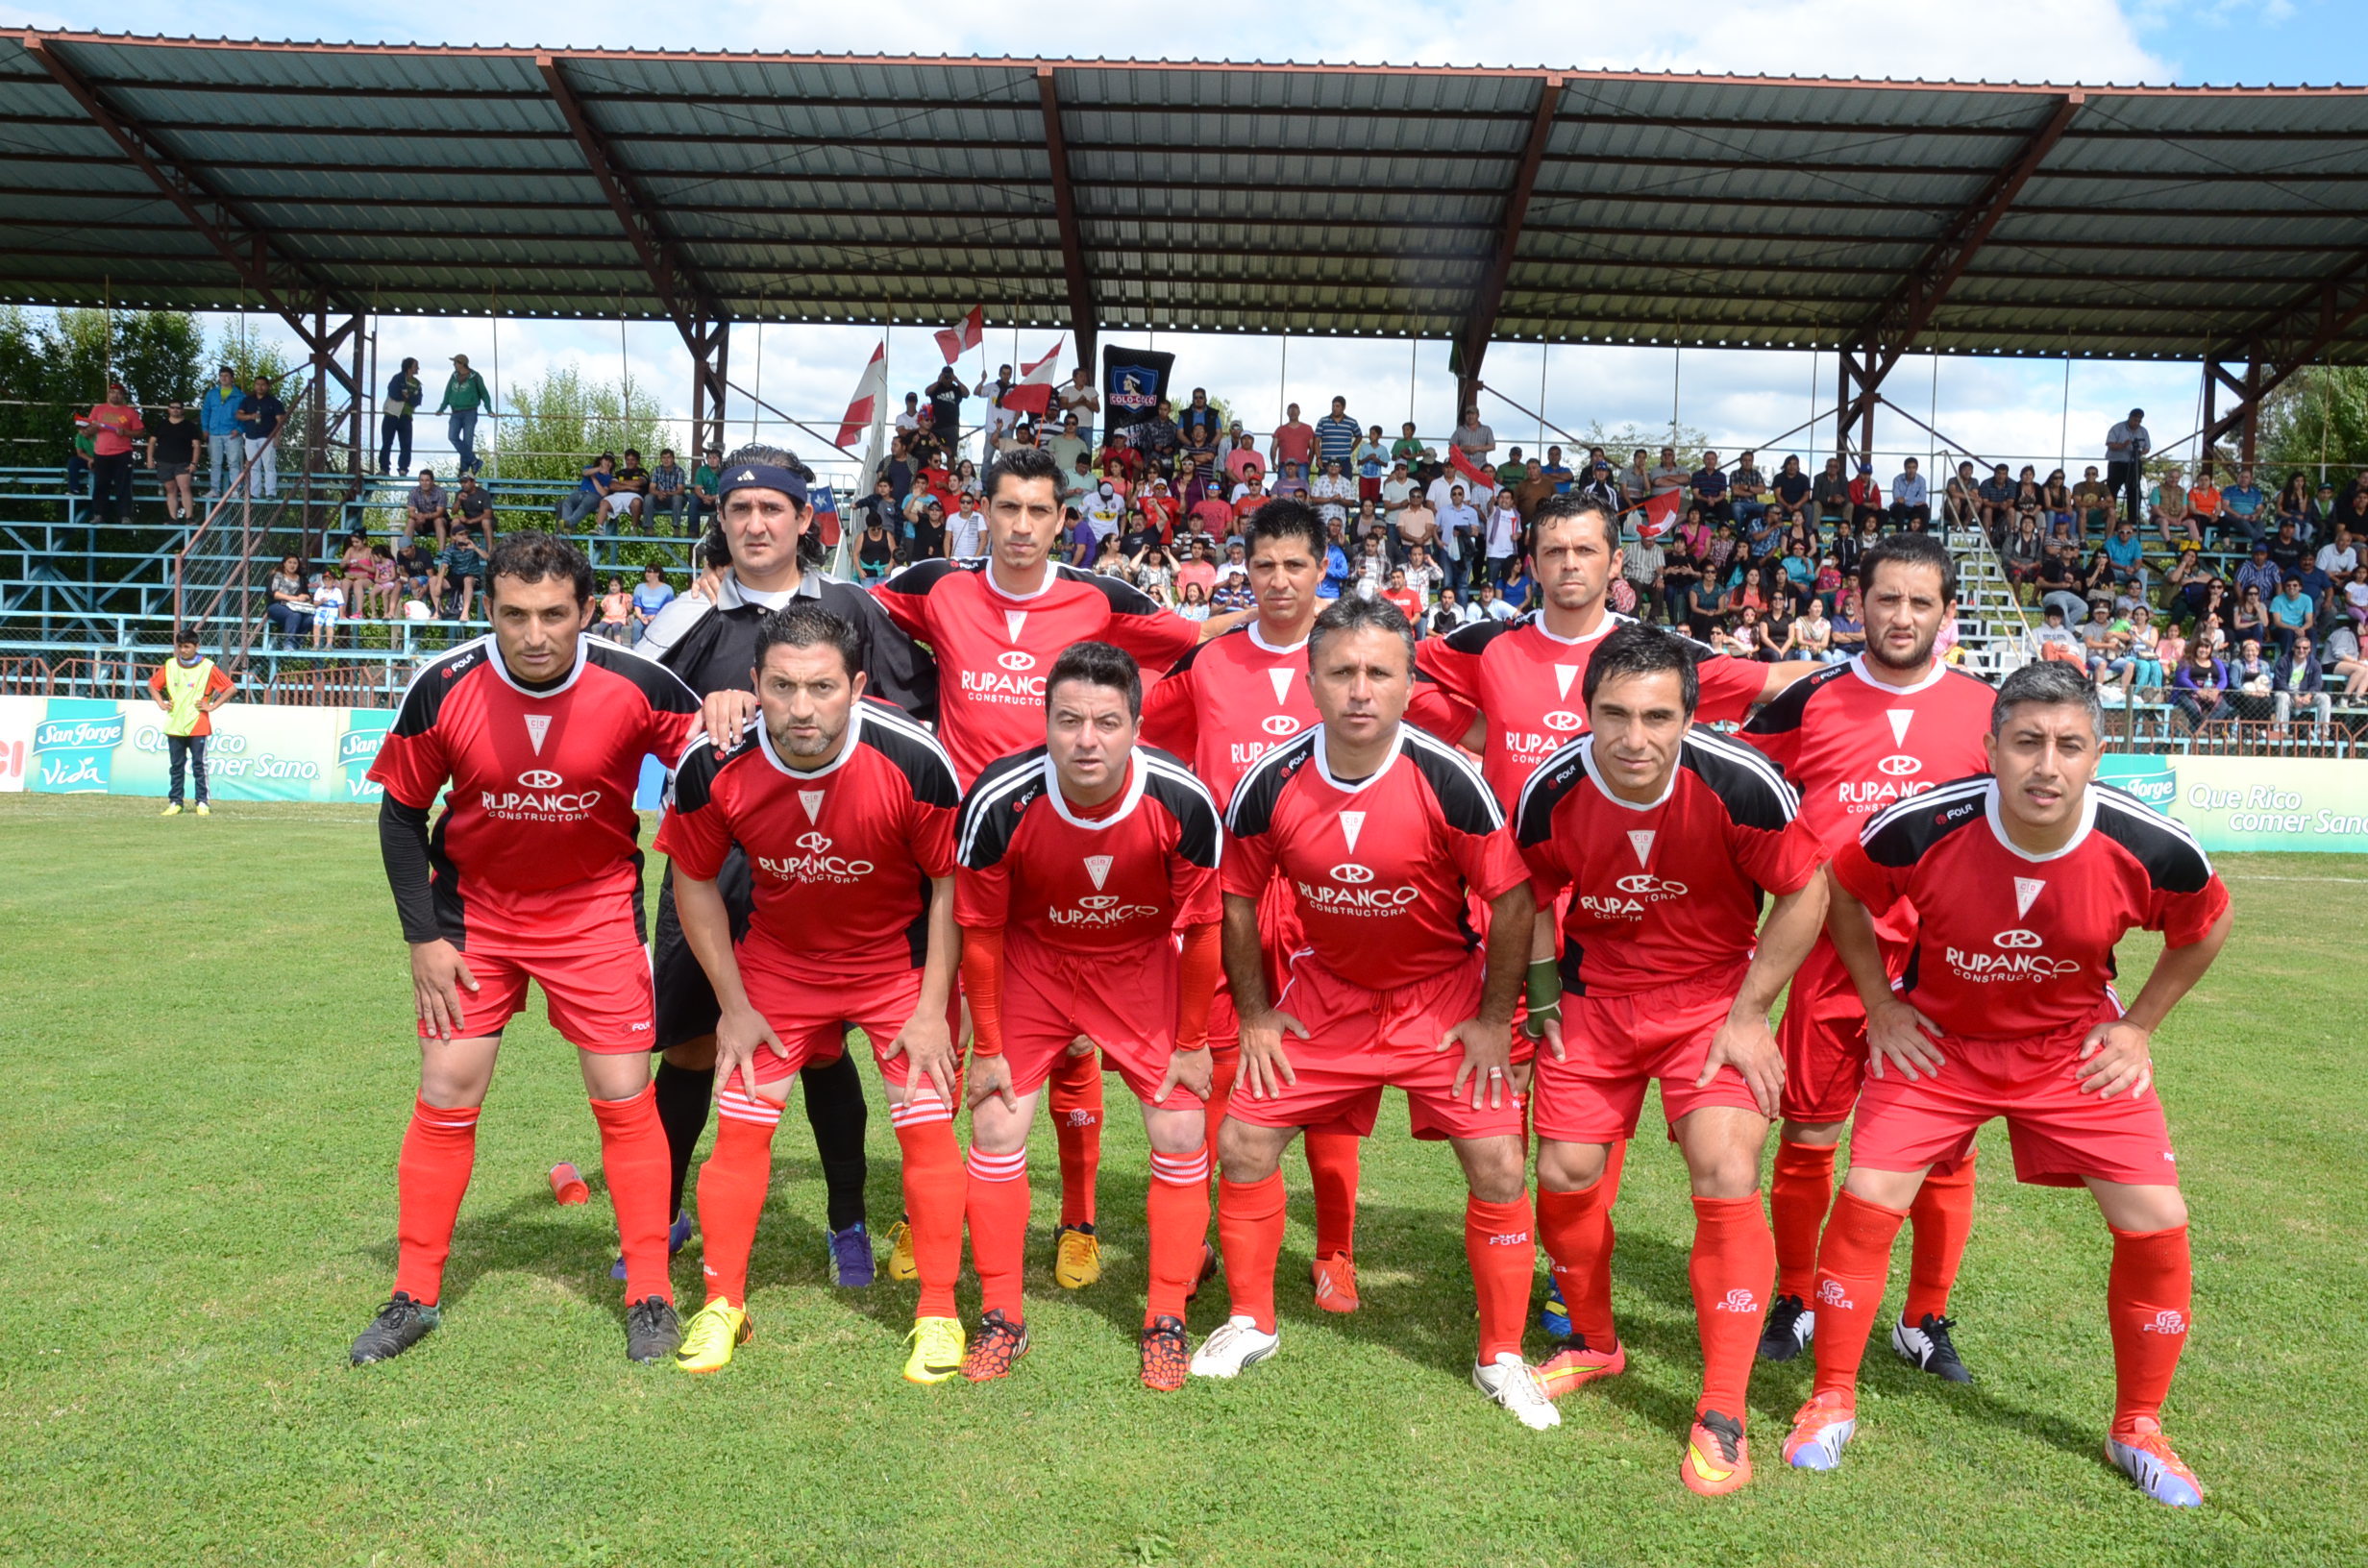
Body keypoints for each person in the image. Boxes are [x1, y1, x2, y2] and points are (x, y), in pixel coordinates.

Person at [1784, 663, 2232, 1508]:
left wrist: (2139, 1026)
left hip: (2071, 1050)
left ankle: (2138, 1426)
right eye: (2027, 742)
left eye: (2069, 745)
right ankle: (1831, 1397)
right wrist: (1881, 1004)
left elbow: (2207, 925)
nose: (2046, 766)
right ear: (1990, 748)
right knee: (1868, 1198)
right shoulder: (1922, 826)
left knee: (2157, 1220)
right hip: (1941, 1047)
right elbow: (1843, 890)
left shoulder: (2150, 846)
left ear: (2098, 753)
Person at [1189, 597, 1557, 1430]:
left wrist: (1494, 1020)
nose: (1360, 690)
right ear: (1310, 680)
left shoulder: (1448, 778)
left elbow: (1512, 900)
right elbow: (1236, 899)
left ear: (1409, 683)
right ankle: (1250, 1321)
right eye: (1342, 672)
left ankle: (1501, 1356)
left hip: (1441, 996)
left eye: (1379, 673)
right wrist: (1256, 1014)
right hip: (1329, 996)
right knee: (1242, 1141)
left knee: (1500, 1165)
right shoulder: (1270, 782)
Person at [350, 531, 703, 1367]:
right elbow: (400, 815)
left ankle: (649, 1291)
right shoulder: (443, 687)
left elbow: (720, 763)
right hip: (475, 919)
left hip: (594, 915)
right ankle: (414, 1295)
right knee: (446, 1088)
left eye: (553, 615)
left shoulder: (642, 684)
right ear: (489, 610)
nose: (534, 634)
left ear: (588, 611)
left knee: (624, 1094)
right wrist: (422, 939)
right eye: (514, 615)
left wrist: (724, 714)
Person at [1516, 625, 1829, 1493]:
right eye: (1613, 714)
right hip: (1594, 999)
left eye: (1657, 717)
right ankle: (1595, 1343)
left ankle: (1722, 1411)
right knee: (1564, 1174)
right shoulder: (1550, 788)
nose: (1634, 737)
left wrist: (1751, 1014)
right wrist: (1541, 999)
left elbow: (1807, 890)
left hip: (1710, 1002)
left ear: (1690, 717)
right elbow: (1531, 890)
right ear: (1585, 711)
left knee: (1726, 1170)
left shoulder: (1741, 783)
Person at [643, 446, 937, 1288]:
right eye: (739, 510)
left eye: (773, 508)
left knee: (819, 1048)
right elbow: (632, 711)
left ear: (806, 519)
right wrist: (701, 718)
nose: (755, 524)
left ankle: (848, 1222)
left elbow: (910, 706)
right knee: (692, 1046)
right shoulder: (689, 615)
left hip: (826, 863)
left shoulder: (851, 605)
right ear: (721, 520)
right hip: (712, 860)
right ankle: (660, 1216)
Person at [654, 603, 967, 1383]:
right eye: (782, 686)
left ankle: (939, 1312)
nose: (801, 708)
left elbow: (950, 883)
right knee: (740, 1133)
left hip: (895, 970)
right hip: (779, 969)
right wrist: (733, 1006)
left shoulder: (914, 757)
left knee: (927, 1132)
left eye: (822, 687)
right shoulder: (713, 763)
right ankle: (723, 1304)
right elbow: (694, 879)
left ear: (856, 687)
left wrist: (933, 1009)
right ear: (754, 683)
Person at [1735, 534, 1997, 1370]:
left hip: (1942, 964)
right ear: (1858, 603)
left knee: (1946, 1146)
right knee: (1809, 1130)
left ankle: (1924, 1316)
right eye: (1887, 599)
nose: (1902, 616)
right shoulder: (1807, 700)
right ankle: (1797, 1297)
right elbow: (1746, 802)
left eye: (1921, 602)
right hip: (1827, 954)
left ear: (1948, 614)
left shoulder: (1991, 712)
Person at [953, 643, 1224, 1387]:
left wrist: (1193, 1042)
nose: (1086, 740)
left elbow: (1203, 927)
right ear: (1044, 722)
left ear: (1137, 726)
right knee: (996, 1122)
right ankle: (1003, 1316)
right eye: (1068, 720)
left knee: (1180, 1126)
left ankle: (1165, 1316)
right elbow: (980, 931)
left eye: (1107, 722)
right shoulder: (999, 799)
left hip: (1137, 966)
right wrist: (989, 1046)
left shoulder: (1182, 799)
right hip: (1034, 965)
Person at [148, 628, 234, 817]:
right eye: (180, 646)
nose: (183, 650)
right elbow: (153, 685)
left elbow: (230, 688)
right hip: (175, 724)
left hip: (198, 723)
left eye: (187, 646)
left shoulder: (208, 667)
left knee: (199, 765)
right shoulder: (170, 665)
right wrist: (161, 703)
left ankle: (202, 802)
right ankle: (175, 802)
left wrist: (212, 706)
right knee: (176, 766)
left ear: (197, 647)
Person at [82, 381, 145, 526]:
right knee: (101, 484)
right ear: (108, 394)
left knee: (123, 485)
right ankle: (99, 514)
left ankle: (125, 515)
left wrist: (126, 432)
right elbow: (86, 431)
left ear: (123, 396)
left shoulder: (129, 412)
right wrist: (93, 428)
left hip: (123, 453)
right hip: (101, 452)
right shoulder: (98, 409)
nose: (115, 395)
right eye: (113, 392)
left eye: (119, 393)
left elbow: (140, 432)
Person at [146, 398, 201, 521]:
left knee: (185, 488)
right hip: (164, 462)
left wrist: (194, 463)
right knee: (170, 490)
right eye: (172, 407)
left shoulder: (190, 426)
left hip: (183, 462)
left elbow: (197, 445)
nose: (175, 410)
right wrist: (149, 459)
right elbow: (152, 442)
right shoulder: (162, 425)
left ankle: (189, 518)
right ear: (168, 409)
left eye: (178, 408)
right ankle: (173, 518)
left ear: (182, 410)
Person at [198, 365, 245, 498]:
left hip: (232, 433)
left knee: (234, 462)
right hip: (214, 433)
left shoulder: (240, 396)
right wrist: (205, 428)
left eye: (226, 376)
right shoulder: (212, 394)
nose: (223, 378)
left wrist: (239, 429)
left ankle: (235, 490)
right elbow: (206, 412)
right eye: (221, 376)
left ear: (232, 378)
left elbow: (245, 415)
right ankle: (214, 490)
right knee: (215, 463)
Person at [235, 377, 284, 499]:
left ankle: (270, 493)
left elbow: (280, 421)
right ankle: (254, 493)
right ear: (254, 385)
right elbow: (239, 415)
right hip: (250, 437)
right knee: (253, 466)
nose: (260, 387)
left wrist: (277, 437)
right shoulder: (248, 400)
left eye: (263, 384)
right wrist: (250, 416)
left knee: (269, 465)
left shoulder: (274, 402)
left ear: (267, 386)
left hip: (268, 437)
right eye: (257, 384)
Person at [2105, 408, 2150, 528]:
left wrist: (2140, 452)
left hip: (2135, 463)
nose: (2137, 423)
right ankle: (2110, 518)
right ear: (2129, 417)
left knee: (2134, 490)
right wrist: (2122, 445)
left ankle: (2133, 519)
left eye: (2139, 421)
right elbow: (2110, 444)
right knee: (2112, 490)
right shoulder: (2118, 428)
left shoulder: (2143, 431)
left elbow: (2147, 448)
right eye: (2135, 420)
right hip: (2117, 463)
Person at [381, 356, 423, 475]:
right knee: (387, 442)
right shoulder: (398, 378)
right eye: (416, 366)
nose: (418, 368)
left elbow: (417, 400)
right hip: (391, 413)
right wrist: (408, 397)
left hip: (406, 416)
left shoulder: (417, 383)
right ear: (409, 367)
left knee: (406, 444)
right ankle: (384, 468)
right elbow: (393, 393)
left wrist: (406, 396)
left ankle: (403, 468)